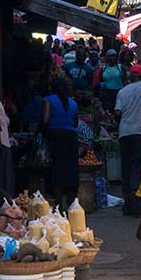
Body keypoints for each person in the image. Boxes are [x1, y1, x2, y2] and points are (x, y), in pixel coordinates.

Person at [116, 64, 141, 217]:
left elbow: (117, 112)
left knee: (126, 168)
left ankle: (128, 203)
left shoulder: (122, 91)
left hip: (125, 132)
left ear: (130, 76)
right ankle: (137, 204)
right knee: (138, 168)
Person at [42, 77, 79, 209]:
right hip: (71, 137)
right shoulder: (73, 103)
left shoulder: (48, 100)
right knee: (70, 169)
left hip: (56, 136)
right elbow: (75, 122)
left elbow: (45, 120)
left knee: (57, 169)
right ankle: (71, 202)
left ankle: (58, 204)